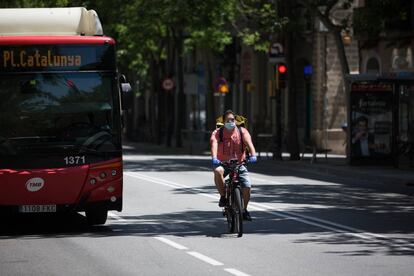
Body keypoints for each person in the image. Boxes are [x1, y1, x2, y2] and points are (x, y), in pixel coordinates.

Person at [210, 110, 257, 221]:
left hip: (239, 164)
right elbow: (214, 144)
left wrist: (253, 155)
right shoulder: (218, 132)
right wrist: (214, 158)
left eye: (232, 120)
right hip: (224, 163)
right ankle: (223, 197)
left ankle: (244, 210)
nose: (230, 122)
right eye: (228, 120)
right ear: (223, 121)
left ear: (235, 121)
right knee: (217, 171)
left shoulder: (242, 131)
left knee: (247, 186)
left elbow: (249, 144)